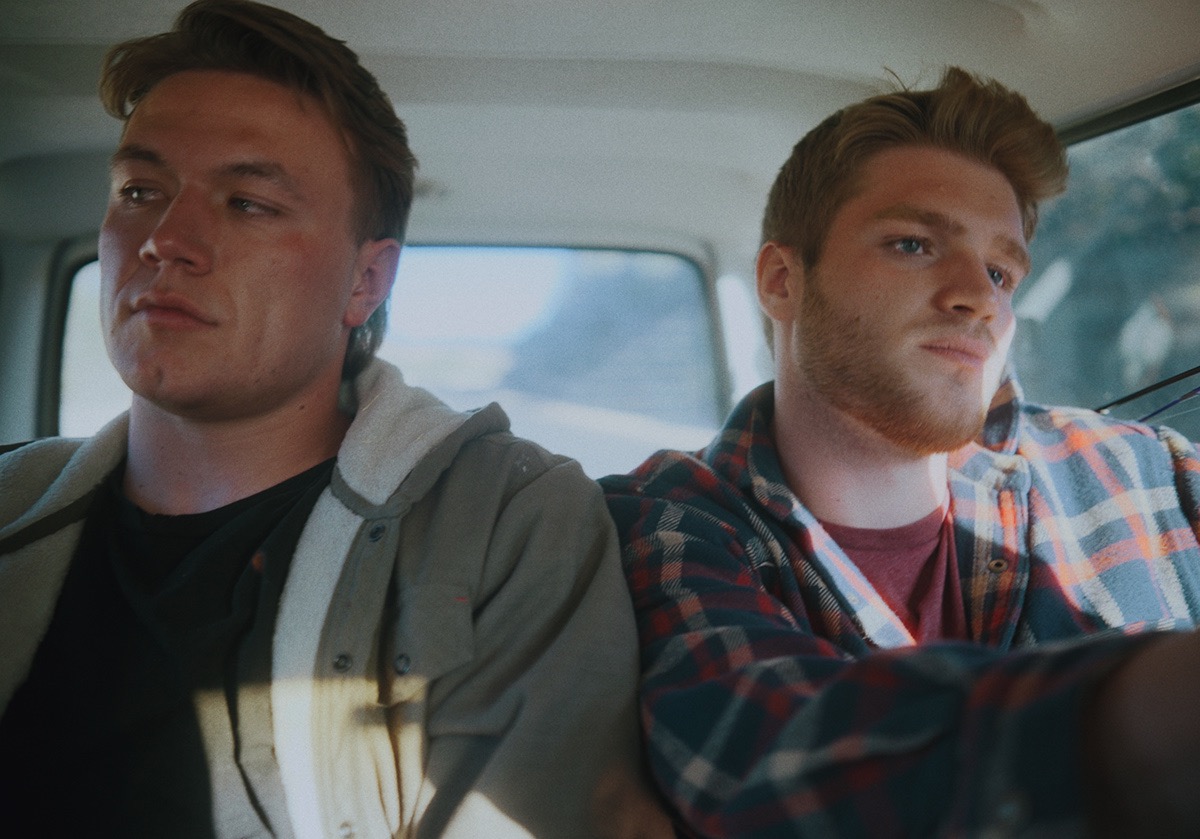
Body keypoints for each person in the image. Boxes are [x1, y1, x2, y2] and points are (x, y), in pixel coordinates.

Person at [0, 2, 669, 836]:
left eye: (247, 202)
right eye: (140, 190)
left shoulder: (507, 518)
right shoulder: (10, 500)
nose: (166, 238)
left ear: (366, 282)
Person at [601, 67, 1200, 838]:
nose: (978, 296)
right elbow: (768, 761)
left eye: (1000, 270)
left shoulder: (1148, 473)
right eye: (914, 243)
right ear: (783, 280)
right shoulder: (667, 522)